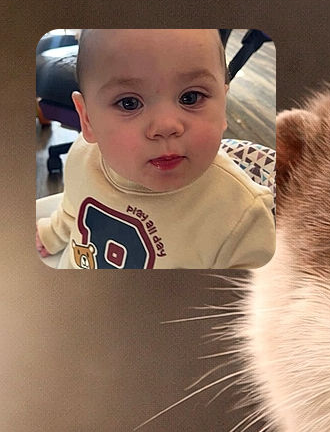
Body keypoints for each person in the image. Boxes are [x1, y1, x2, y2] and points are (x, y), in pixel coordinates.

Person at [36, 29, 275, 269]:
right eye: (129, 103)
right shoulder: (83, 156)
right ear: (87, 120)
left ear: (223, 105)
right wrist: (52, 234)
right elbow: (73, 208)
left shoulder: (242, 217)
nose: (166, 126)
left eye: (191, 97)